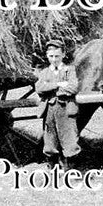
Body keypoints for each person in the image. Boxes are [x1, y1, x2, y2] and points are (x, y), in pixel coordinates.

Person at [35, 39, 80, 170]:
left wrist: (50, 89)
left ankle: (70, 170)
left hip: (65, 109)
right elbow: (39, 88)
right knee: (50, 140)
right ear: (47, 56)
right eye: (51, 56)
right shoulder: (44, 72)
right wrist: (58, 85)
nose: (54, 59)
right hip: (49, 110)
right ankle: (52, 167)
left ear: (63, 55)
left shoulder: (69, 70)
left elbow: (73, 88)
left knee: (69, 139)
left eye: (57, 56)